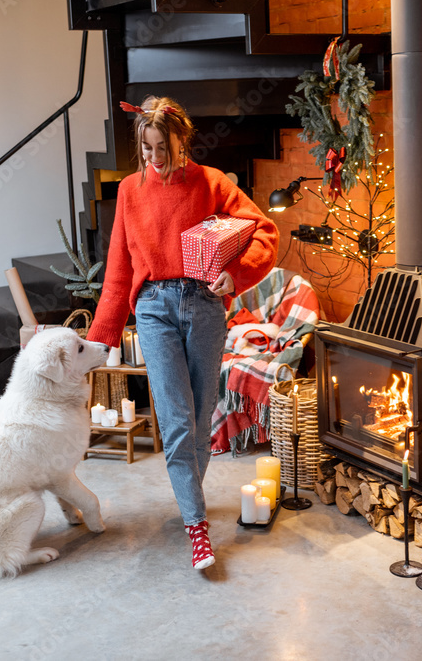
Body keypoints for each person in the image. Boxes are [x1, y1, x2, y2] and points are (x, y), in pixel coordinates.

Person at [86, 96, 279, 569]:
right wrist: (99, 339)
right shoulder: (130, 192)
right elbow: (118, 270)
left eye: (162, 147)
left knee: (200, 417)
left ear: (181, 139)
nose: (155, 158)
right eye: (147, 148)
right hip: (153, 309)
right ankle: (197, 526)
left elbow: (264, 231)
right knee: (174, 419)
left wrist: (236, 274)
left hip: (204, 306)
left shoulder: (210, 182)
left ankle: (188, 500)